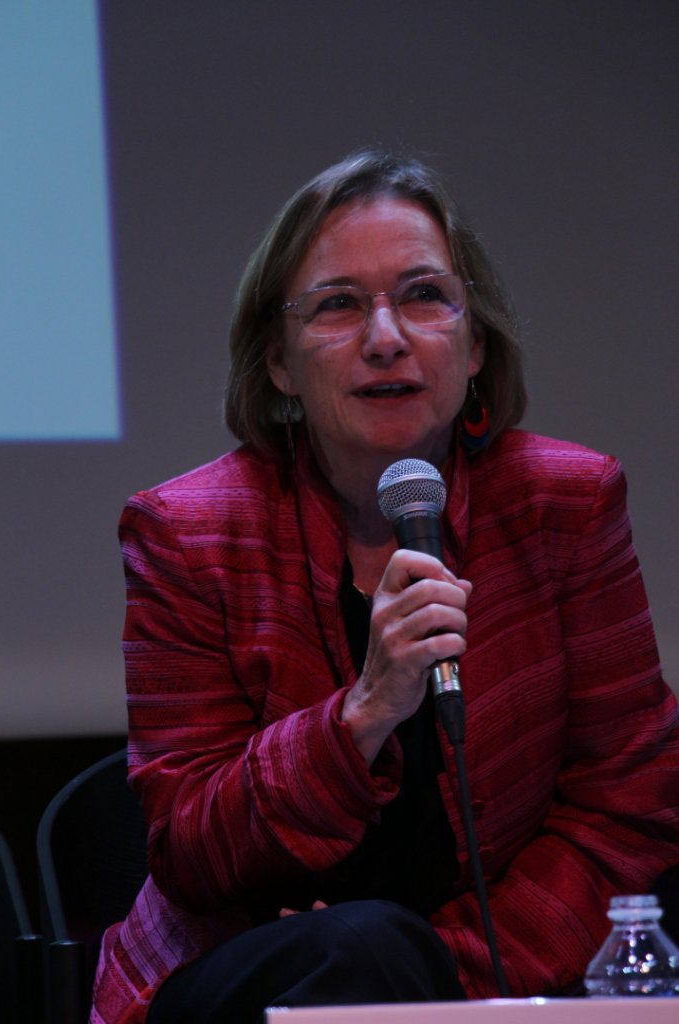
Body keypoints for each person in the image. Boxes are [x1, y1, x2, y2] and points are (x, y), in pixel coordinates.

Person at [91, 150, 679, 1024]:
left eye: (422, 296)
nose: (385, 337)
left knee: (380, 952)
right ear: (280, 364)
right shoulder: (187, 532)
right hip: (246, 969)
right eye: (336, 305)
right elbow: (189, 851)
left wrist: (440, 974)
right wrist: (363, 711)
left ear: (474, 344)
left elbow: (628, 798)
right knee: (356, 947)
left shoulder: (567, 503)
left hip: (487, 955)